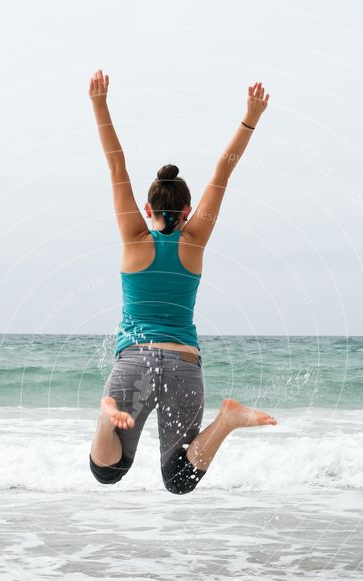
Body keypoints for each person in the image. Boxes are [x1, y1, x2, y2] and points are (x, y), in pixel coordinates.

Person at [88, 69, 277, 494]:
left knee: (108, 470)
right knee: (178, 479)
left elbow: (115, 163)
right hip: (184, 364)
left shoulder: (134, 240)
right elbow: (222, 173)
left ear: (146, 208)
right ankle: (227, 420)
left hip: (134, 363)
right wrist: (251, 117)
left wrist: (99, 104)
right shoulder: (194, 243)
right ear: (188, 211)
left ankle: (106, 418)